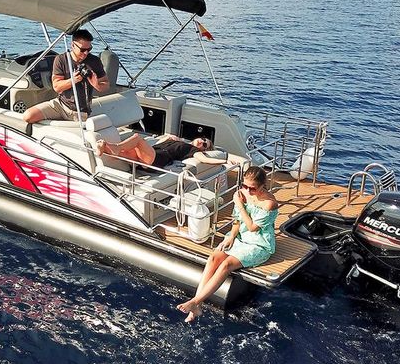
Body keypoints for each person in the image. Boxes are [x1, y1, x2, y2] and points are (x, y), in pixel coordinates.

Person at [177, 166, 278, 322]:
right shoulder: (243, 193)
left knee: (226, 264)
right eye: (245, 186)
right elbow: (237, 220)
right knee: (213, 258)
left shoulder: (269, 203)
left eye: (252, 188)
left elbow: (252, 227)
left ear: (262, 185)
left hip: (259, 243)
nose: (248, 191)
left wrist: (239, 204)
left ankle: (196, 302)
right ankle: (197, 305)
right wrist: (231, 236)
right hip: (241, 237)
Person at [22, 29, 109, 123]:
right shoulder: (61, 60)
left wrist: (97, 85)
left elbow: (106, 84)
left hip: (80, 112)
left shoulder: (94, 61)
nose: (86, 53)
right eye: (83, 50)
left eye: (89, 49)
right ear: (73, 45)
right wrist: (73, 80)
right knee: (28, 116)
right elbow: (56, 87)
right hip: (60, 105)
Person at [96, 134, 236, 169]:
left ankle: (113, 146)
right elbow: (157, 142)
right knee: (124, 153)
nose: (202, 142)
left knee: (137, 139)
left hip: (158, 158)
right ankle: (108, 149)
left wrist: (225, 161)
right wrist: (169, 137)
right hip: (152, 154)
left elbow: (205, 159)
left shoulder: (192, 150)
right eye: (204, 139)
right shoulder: (179, 140)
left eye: (205, 145)